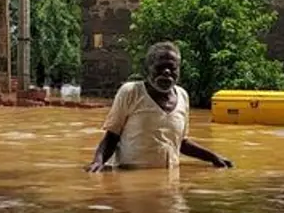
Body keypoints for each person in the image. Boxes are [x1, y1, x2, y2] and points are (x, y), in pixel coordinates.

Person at [86, 41, 234, 171]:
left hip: (169, 178)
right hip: (130, 178)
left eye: (172, 67)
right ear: (148, 68)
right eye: (160, 67)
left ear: (179, 71)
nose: (167, 72)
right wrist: (98, 161)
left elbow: (180, 143)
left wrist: (213, 157)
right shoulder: (131, 92)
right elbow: (112, 135)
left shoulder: (182, 96)